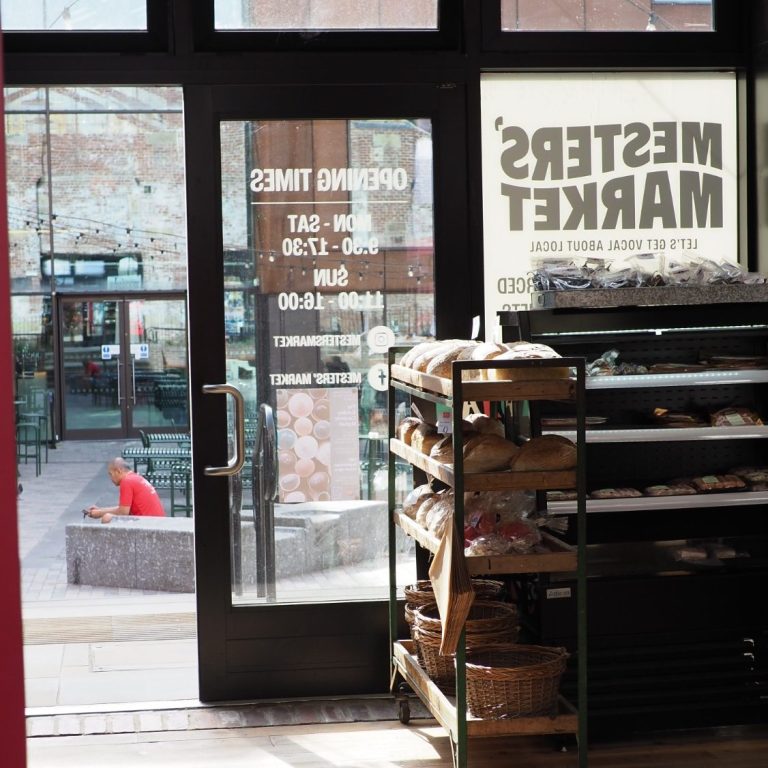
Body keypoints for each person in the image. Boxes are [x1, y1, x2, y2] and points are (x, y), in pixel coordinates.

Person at [87, 457, 165, 524]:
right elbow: (124, 508)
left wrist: (99, 513)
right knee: (108, 516)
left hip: (149, 523)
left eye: (111, 474)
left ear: (118, 471)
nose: (111, 478)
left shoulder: (126, 481)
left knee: (107, 518)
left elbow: (123, 512)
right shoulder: (134, 477)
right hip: (156, 521)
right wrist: (100, 510)